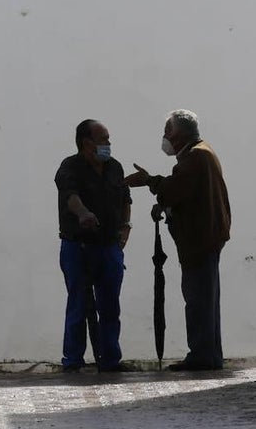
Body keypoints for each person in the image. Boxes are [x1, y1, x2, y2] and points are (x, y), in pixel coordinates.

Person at [125, 109, 230, 371]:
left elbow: (175, 189)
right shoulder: (199, 154)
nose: (165, 136)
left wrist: (149, 181)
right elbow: (184, 193)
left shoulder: (196, 157)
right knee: (205, 300)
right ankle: (209, 354)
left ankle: (202, 356)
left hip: (199, 239)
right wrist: (165, 205)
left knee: (198, 301)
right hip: (205, 237)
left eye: (168, 131)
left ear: (180, 134)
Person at [54, 119, 133, 372]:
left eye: (108, 139)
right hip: (78, 247)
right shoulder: (70, 167)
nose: (108, 144)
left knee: (110, 305)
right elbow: (70, 197)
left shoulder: (114, 167)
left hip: (109, 247)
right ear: (87, 143)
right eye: (103, 139)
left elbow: (125, 199)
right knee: (78, 303)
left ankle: (110, 359)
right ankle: (73, 361)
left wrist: (125, 227)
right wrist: (83, 214)